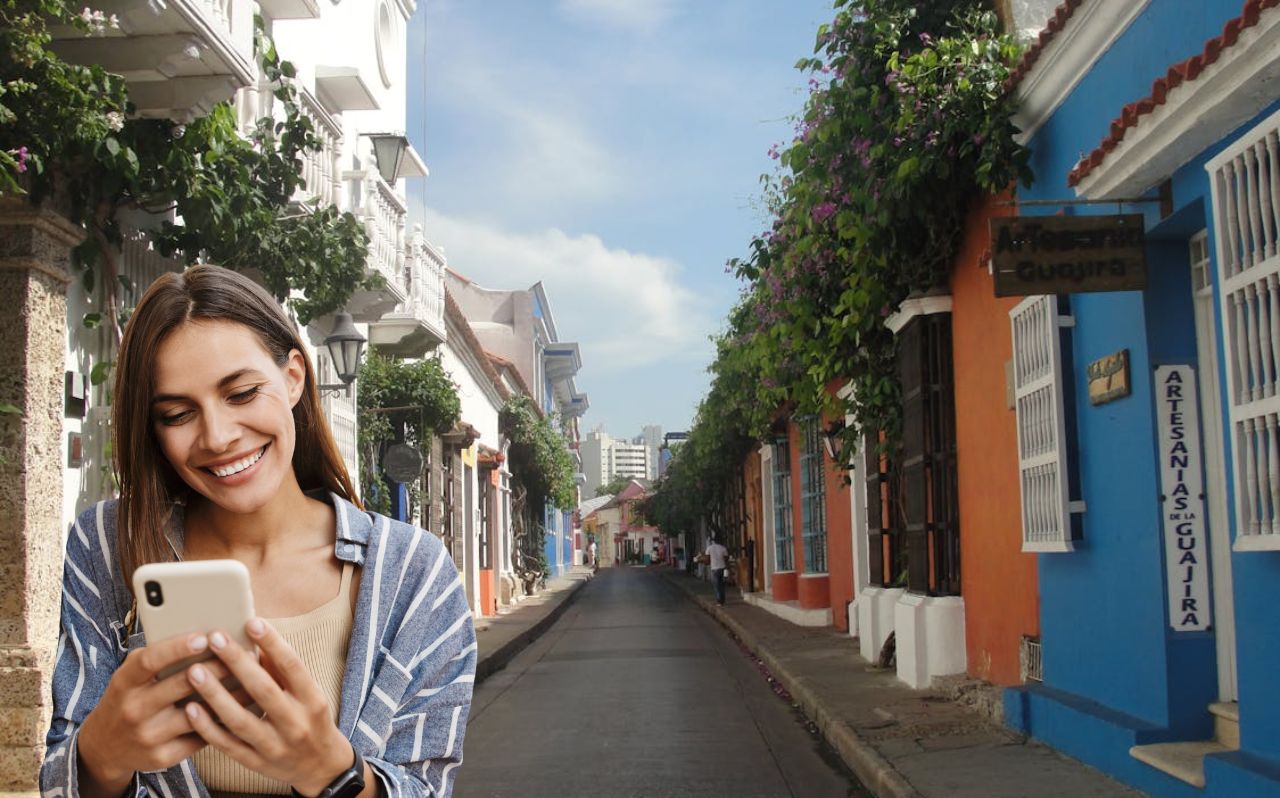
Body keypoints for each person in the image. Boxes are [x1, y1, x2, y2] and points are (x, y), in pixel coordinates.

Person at [41, 265, 477, 798]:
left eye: (243, 394)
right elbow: (62, 775)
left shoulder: (415, 574)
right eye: (177, 414)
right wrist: (101, 756)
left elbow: (425, 785)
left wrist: (333, 772)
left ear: (294, 376)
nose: (219, 437)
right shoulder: (108, 544)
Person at [705, 536, 730, 606]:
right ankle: (722, 599)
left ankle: (719, 601)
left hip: (714, 569)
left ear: (714, 541)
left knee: (716, 585)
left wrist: (704, 562)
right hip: (723, 568)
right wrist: (727, 568)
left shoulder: (709, 548)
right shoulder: (723, 548)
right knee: (722, 585)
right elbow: (726, 559)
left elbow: (707, 560)